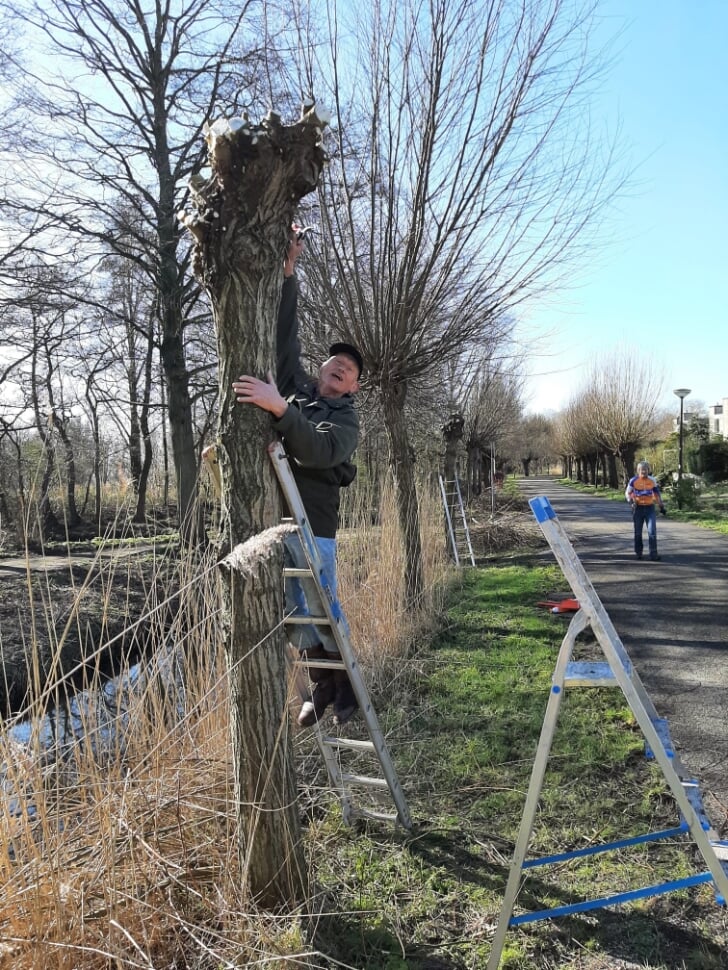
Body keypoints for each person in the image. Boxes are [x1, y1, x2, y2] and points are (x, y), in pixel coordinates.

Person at [232, 228, 363, 727]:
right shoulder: (301, 391)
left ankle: (347, 680)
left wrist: (281, 410)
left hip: (315, 525)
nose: (338, 369)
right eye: (335, 362)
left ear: (352, 386)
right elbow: (285, 342)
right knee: (293, 611)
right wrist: (289, 273)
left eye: (348, 371)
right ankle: (321, 684)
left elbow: (320, 449)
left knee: (321, 605)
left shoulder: (344, 421)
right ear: (323, 367)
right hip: (278, 519)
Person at [625, 460, 666, 561]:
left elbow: (656, 494)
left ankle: (653, 554)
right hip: (638, 508)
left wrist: (661, 506)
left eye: (646, 469)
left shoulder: (652, 480)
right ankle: (639, 553)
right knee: (638, 532)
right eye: (642, 470)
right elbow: (627, 492)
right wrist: (631, 502)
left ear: (649, 470)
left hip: (649, 508)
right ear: (638, 471)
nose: (644, 472)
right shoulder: (633, 480)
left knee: (652, 531)